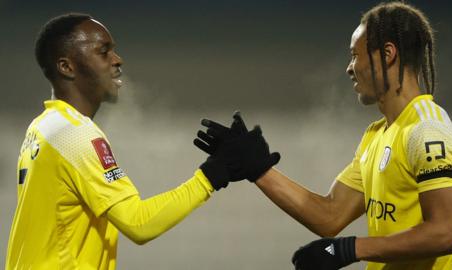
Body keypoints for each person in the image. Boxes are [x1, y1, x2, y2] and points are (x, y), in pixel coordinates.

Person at [195, 2, 452, 269]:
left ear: (388, 54)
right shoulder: (377, 135)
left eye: (355, 54)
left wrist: (349, 249)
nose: (349, 68)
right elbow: (330, 215)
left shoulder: (427, 130)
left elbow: (444, 233)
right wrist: (257, 168)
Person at [5, 13, 279, 270]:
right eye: (103, 51)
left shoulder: (42, 127)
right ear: (66, 66)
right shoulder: (74, 135)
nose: (117, 59)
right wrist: (215, 173)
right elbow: (139, 223)